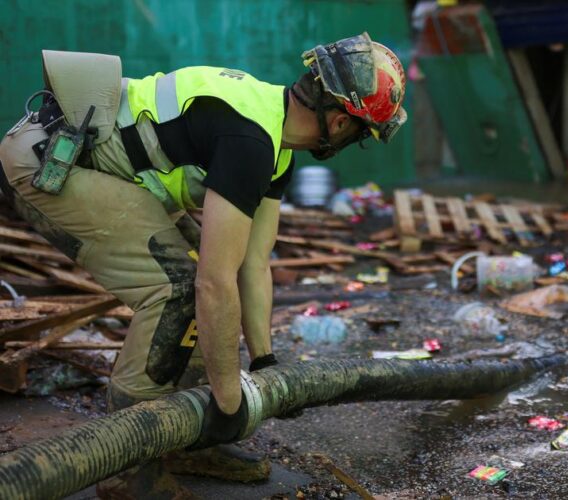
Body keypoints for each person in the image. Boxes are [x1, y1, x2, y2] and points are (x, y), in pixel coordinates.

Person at [0, 33, 406, 498]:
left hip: (92, 161)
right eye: (361, 134)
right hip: (50, 160)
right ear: (338, 123)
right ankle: (127, 470)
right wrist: (231, 401)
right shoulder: (250, 138)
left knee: (193, 279)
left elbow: (253, 264)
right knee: (175, 288)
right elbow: (214, 284)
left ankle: (189, 440)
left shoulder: (274, 144)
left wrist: (264, 359)